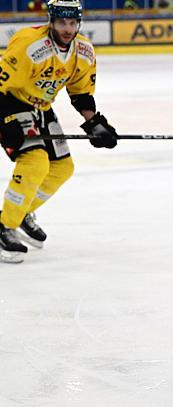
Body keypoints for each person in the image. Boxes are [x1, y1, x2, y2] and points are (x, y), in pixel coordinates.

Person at [0, 0, 118, 264]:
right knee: (34, 162)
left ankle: (20, 214)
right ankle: (4, 225)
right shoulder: (29, 44)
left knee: (62, 167)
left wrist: (94, 123)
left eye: (73, 23)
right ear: (51, 21)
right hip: (11, 102)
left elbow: (81, 92)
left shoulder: (83, 50)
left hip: (42, 107)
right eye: (62, 22)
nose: (68, 28)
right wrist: (6, 122)